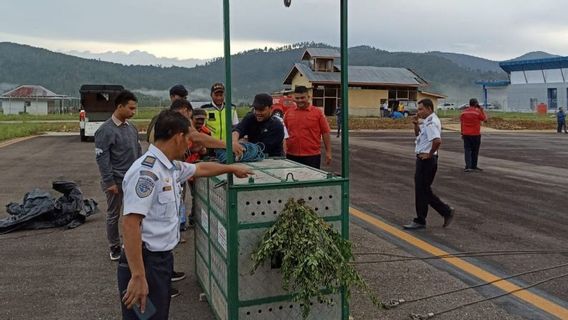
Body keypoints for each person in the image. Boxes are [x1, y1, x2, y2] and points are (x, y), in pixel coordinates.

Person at [118, 110, 252, 320]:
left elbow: (200, 168)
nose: (191, 145)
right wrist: (137, 275)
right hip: (145, 263)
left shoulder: (169, 167)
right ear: (178, 136)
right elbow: (130, 224)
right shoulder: (147, 173)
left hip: (160, 261)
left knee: (156, 315)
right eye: (189, 139)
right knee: (144, 317)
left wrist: (231, 168)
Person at [94, 90, 142, 261]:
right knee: (114, 214)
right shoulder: (105, 131)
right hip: (115, 181)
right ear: (119, 106)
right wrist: (109, 182)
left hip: (133, 180)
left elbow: (138, 152)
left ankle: (134, 243)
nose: (133, 112)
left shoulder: (132, 128)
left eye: (135, 109)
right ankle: (114, 246)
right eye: (130, 108)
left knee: (135, 214)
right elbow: (102, 158)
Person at [403, 98, 454, 230]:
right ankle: (444, 211)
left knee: (422, 190)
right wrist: (415, 124)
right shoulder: (426, 121)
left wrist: (430, 154)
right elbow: (419, 136)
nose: (418, 112)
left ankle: (422, 219)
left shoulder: (431, 122)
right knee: (423, 190)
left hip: (427, 161)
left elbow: (437, 141)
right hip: (423, 159)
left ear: (429, 109)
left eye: (421, 109)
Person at [284, 86, 332, 169]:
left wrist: (328, 152)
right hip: (291, 155)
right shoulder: (288, 113)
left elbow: (325, 132)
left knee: (310, 180)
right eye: (297, 98)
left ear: (309, 97)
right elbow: (284, 133)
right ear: (293, 98)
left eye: (302, 98)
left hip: (312, 156)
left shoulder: (318, 113)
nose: (300, 100)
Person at [460, 98, 487, 172]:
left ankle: (468, 166)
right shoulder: (477, 112)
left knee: (467, 150)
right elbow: (485, 119)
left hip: (466, 134)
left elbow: (462, 123)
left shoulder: (463, 113)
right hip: (475, 134)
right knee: (475, 150)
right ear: (476, 104)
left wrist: (462, 133)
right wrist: (481, 110)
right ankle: (474, 166)